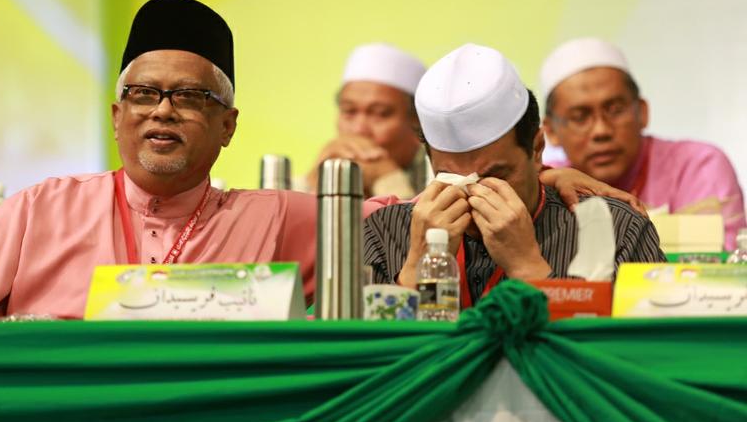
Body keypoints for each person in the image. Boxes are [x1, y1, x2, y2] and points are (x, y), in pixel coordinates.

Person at [0, 0, 647, 320]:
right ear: (117, 114)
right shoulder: (36, 211)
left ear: (228, 125)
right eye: (143, 94)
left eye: (190, 96)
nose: (163, 110)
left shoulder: (286, 217)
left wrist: (536, 210)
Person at [364, 43, 665, 303]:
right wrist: (417, 272)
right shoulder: (384, 234)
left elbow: (641, 355)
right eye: (450, 180)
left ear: (536, 150)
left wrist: (529, 269)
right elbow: (364, 363)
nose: (474, 197)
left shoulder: (617, 231)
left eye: (496, 177)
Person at [540, 37, 746, 250]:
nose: (601, 131)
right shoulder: (548, 182)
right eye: (580, 117)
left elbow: (721, 267)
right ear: (551, 131)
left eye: (616, 110)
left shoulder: (697, 165)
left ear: (643, 112)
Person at [300, 43, 429, 198]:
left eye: (380, 114)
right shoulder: (329, 161)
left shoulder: (442, 175)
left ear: (417, 121)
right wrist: (317, 182)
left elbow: (422, 222)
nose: (359, 130)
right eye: (349, 111)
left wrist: (387, 178)